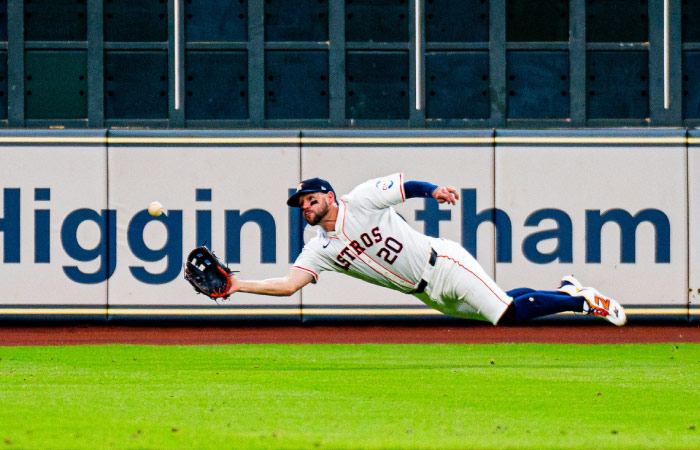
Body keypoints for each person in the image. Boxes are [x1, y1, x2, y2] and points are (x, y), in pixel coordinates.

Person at [225, 173, 626, 326]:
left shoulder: (360, 199)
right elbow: (288, 285)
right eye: (301, 205)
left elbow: (405, 188)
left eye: (311, 199)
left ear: (328, 196)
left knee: (504, 314)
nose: (306, 207)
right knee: (503, 304)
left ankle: (582, 302)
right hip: (428, 294)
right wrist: (238, 286)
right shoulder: (319, 249)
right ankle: (568, 290)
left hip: (444, 262)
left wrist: (433, 191)